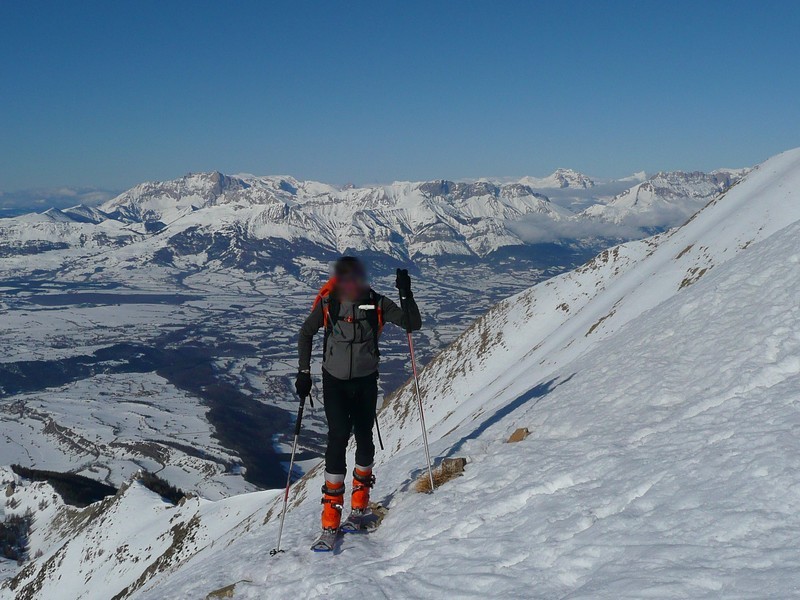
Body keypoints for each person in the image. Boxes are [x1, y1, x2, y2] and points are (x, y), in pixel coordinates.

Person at [296, 256, 422, 537]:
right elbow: (306, 333)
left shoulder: (376, 303)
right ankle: (331, 514)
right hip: (335, 382)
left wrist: (406, 294)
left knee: (364, 437)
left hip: (365, 381)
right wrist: (304, 372)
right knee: (338, 437)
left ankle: (359, 505)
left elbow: (412, 323)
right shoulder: (329, 304)